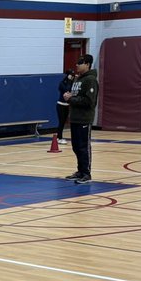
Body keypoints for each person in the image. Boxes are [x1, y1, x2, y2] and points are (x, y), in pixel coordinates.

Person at [64, 54, 98, 184]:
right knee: (76, 147)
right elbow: (76, 96)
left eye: (80, 62)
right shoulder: (77, 79)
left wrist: (72, 99)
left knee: (84, 147)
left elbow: (89, 101)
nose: (77, 65)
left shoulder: (90, 80)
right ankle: (80, 171)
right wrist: (69, 96)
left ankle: (86, 173)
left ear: (87, 64)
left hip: (84, 118)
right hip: (75, 118)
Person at [54, 69, 75, 144]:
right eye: (71, 75)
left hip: (67, 105)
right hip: (60, 105)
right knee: (61, 121)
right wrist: (69, 81)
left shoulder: (72, 82)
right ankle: (59, 138)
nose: (72, 77)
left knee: (64, 122)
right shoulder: (62, 83)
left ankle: (59, 137)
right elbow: (67, 90)